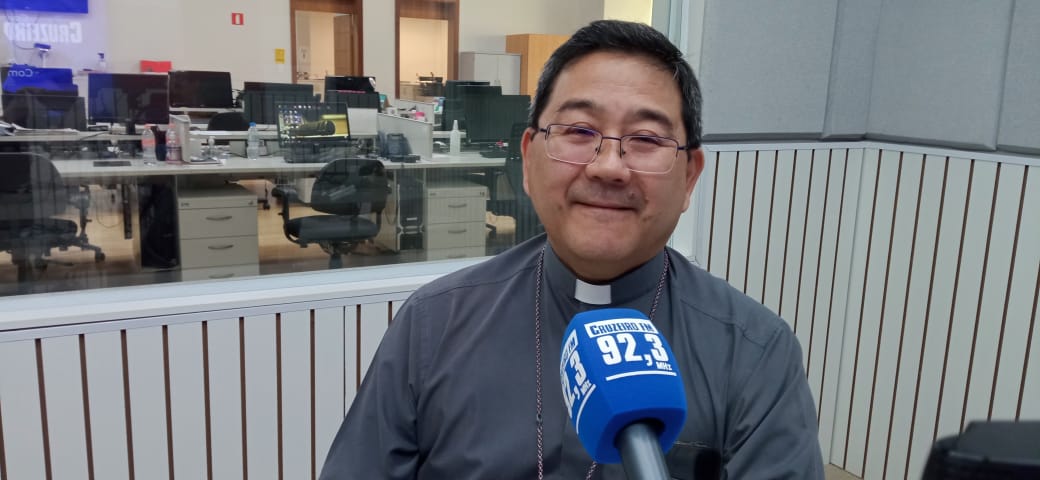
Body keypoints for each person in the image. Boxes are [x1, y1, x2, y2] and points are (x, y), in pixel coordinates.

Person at [319, 20, 824, 479]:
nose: (609, 167)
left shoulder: (756, 353)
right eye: (579, 131)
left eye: (647, 139)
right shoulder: (432, 325)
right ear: (528, 159)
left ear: (689, 177)